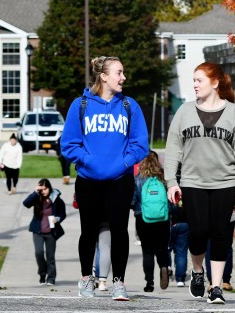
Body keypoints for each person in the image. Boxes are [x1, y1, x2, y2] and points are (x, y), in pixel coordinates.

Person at [60, 56, 149, 301]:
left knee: (120, 231)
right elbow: (68, 145)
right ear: (104, 77)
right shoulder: (81, 105)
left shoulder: (130, 105)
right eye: (119, 73)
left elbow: (140, 144)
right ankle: (86, 279)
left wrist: (122, 163)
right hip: (88, 180)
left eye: (123, 72)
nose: (124, 77)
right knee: (88, 232)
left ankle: (118, 283)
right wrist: (89, 161)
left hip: (120, 180)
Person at [164, 62, 235, 305]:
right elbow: (173, 148)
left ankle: (216, 287)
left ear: (215, 83)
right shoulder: (184, 111)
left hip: (225, 182)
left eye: (199, 80)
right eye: (193, 80)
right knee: (199, 231)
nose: (194, 85)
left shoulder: (233, 112)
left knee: (221, 234)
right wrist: (172, 181)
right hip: (193, 182)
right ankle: (198, 271)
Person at [132, 150, 171, 292]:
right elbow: (171, 200)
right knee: (161, 248)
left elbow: (133, 200)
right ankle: (164, 267)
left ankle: (150, 283)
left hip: (143, 218)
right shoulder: (164, 178)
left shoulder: (137, 178)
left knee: (147, 251)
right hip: (163, 219)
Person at [23, 178, 67, 285]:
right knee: (39, 253)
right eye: (41, 189)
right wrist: (35, 192)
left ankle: (51, 278)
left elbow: (63, 213)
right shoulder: (37, 198)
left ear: (49, 188)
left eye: (45, 189)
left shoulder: (56, 199)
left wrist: (57, 219)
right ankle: (42, 274)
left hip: (51, 232)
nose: (44, 191)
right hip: (37, 231)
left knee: (50, 256)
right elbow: (26, 203)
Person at [168, 200, 190, 287]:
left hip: (170, 223)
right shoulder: (188, 189)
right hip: (185, 224)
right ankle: (180, 279)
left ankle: (167, 266)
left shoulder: (169, 189)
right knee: (181, 252)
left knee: (167, 248)